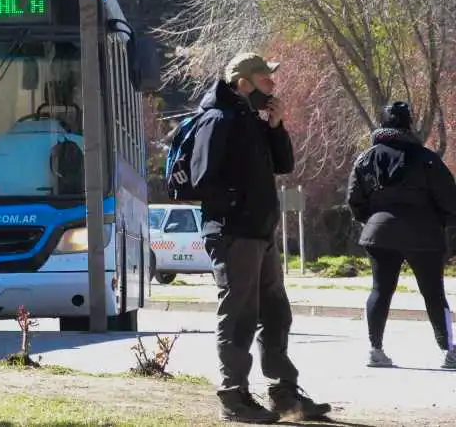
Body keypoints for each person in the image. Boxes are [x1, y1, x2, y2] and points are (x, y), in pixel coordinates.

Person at [189, 53, 330, 423]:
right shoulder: (218, 118)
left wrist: (276, 126)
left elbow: (283, 165)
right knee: (239, 315)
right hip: (234, 233)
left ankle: (284, 394)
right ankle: (233, 397)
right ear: (243, 83)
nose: (273, 85)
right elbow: (202, 180)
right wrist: (241, 207)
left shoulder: (252, 120)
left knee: (275, 313)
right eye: (266, 79)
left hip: (261, 233)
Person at [346, 101, 456, 370]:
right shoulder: (427, 159)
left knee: (380, 290)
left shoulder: (366, 158)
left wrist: (371, 220)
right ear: (409, 124)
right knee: (433, 293)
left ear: (382, 123)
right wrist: (441, 222)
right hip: (423, 233)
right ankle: (449, 351)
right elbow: (450, 199)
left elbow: (354, 198)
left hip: (379, 233)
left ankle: (375, 349)